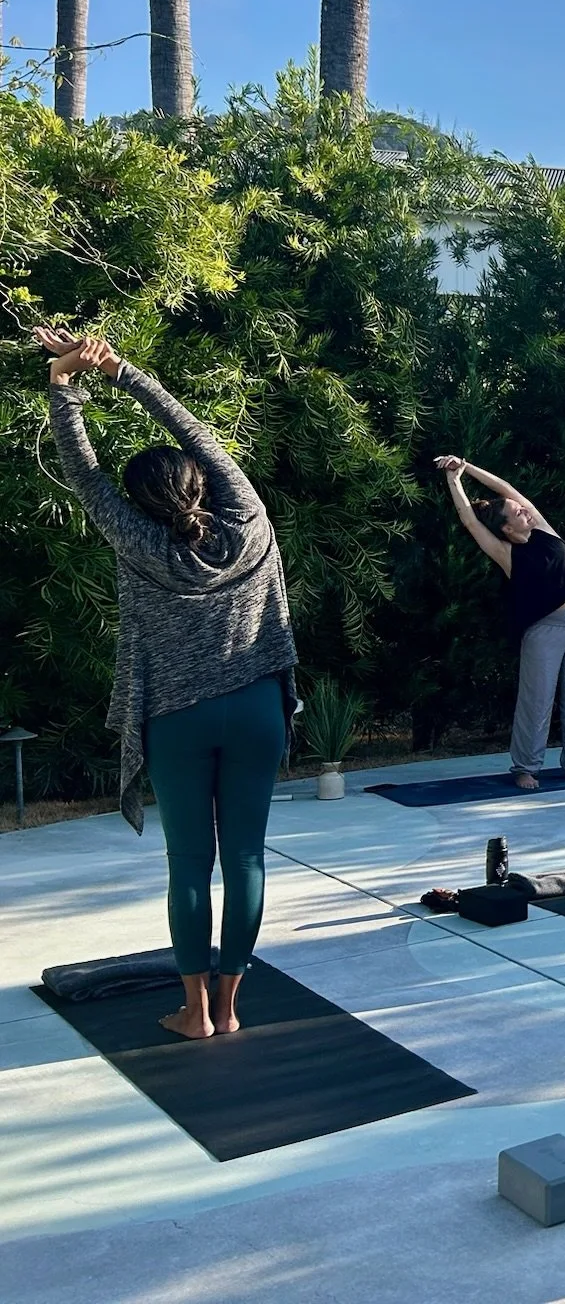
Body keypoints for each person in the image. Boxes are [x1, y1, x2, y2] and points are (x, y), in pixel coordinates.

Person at [35, 329, 298, 1040]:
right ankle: (233, 1009)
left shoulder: (137, 540)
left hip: (178, 717)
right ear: (201, 483)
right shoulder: (247, 518)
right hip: (257, 708)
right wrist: (120, 370)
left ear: (141, 502)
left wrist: (64, 385)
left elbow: (82, 471)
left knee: (190, 861)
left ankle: (195, 1013)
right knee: (244, 856)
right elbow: (197, 432)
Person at [434, 456, 565, 791]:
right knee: (536, 701)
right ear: (507, 528)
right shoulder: (506, 552)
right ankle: (526, 767)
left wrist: (467, 466)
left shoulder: (542, 529)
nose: (526, 510)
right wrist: (454, 479)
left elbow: (507, 489)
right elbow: (469, 520)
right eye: (518, 512)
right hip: (545, 629)